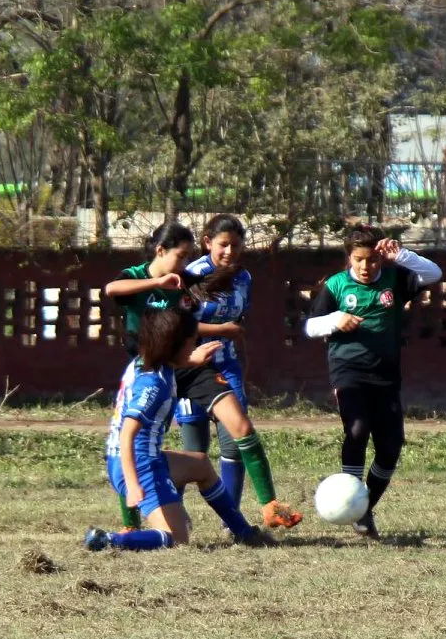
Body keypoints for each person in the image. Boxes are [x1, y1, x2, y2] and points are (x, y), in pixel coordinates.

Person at [105, 222, 303, 531]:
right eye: (181, 256)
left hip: (189, 362)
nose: (185, 263)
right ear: (160, 251)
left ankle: (270, 506)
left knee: (241, 424)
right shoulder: (137, 276)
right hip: (152, 371)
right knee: (138, 440)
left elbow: (189, 322)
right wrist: (156, 283)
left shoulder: (184, 282)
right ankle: (131, 525)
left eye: (188, 257)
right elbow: (111, 290)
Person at [84, 307, 263, 551]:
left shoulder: (146, 363)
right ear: (174, 345)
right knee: (178, 538)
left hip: (142, 458)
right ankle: (108, 540)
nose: (194, 347)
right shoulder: (153, 385)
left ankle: (244, 533)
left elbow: (171, 364)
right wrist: (134, 485)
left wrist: (192, 360)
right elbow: (127, 433)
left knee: (201, 465)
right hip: (140, 465)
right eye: (191, 343)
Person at [303, 227, 442, 539]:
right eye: (359, 260)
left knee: (390, 447)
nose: (366, 266)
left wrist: (401, 255)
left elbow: (434, 274)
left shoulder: (395, 279)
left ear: (381, 258)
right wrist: (335, 320)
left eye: (372, 260)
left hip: (386, 375)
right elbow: (311, 327)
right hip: (348, 371)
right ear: (349, 258)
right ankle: (353, 501)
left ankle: (362, 507)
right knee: (357, 430)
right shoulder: (336, 285)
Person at [176, 215, 253, 512]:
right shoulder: (191, 276)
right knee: (194, 451)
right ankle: (172, 515)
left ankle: (231, 520)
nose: (229, 251)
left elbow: (240, 320)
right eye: (223, 245)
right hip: (191, 369)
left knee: (236, 441)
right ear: (208, 242)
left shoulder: (244, 278)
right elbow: (179, 325)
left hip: (227, 366)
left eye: (235, 245)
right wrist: (221, 329)